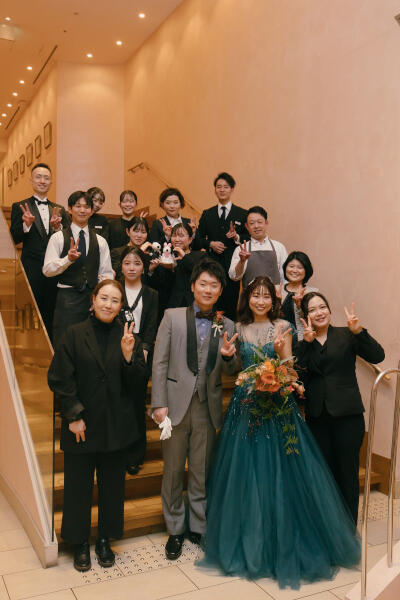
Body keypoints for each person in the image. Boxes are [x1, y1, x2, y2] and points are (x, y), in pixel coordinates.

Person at [201, 277, 361, 589]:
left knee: (284, 473)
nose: (260, 301)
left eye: (266, 297)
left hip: (278, 405)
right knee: (246, 475)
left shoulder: (284, 325)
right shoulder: (237, 327)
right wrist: (227, 356)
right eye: (255, 296)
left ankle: (287, 539)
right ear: (247, 298)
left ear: (273, 301)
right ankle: (250, 540)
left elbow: (291, 370)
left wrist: (281, 358)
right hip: (245, 406)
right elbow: (233, 370)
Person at [48, 280, 147, 571]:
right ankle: (79, 542)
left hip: (116, 425)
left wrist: (128, 357)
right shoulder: (73, 334)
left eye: (115, 300)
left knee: (112, 487)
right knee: (77, 486)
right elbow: (60, 378)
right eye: (104, 298)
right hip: (81, 425)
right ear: (93, 300)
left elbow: (138, 384)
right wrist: (73, 416)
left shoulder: (128, 337)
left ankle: (105, 539)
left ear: (121, 307)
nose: (108, 304)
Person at [151, 258, 238, 561]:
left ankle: (198, 527)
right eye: (203, 283)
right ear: (192, 286)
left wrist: (228, 356)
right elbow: (160, 362)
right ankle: (175, 529)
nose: (208, 289)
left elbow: (232, 369)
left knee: (201, 471)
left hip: (207, 407)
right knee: (173, 471)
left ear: (220, 291)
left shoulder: (226, 324)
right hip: (174, 406)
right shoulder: (172, 316)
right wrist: (158, 403)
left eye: (214, 285)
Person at [296, 292, 385, 523]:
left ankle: (348, 528)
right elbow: (296, 376)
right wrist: (306, 345)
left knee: (347, 474)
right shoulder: (304, 344)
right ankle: (329, 527)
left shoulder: (347, 335)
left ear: (329, 309)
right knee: (324, 475)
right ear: (306, 316)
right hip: (317, 417)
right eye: (312, 310)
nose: (319, 312)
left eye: (322, 307)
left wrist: (359, 331)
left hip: (348, 416)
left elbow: (378, 355)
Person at [42, 191, 113, 348]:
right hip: (67, 299)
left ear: (91, 211)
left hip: (92, 301)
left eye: (86, 207)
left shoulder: (100, 241)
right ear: (69, 209)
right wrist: (68, 259)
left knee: (91, 346)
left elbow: (106, 274)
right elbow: (47, 270)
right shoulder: (58, 238)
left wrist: (100, 299)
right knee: (65, 344)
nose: (82, 210)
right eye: (78, 206)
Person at [10, 163, 68, 336]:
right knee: (28, 311)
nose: (42, 181)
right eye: (38, 177)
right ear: (31, 180)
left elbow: (66, 241)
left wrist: (58, 229)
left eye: (46, 178)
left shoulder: (59, 210)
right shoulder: (19, 206)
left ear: (51, 182)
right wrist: (26, 226)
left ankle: (49, 347)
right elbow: (14, 238)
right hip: (30, 268)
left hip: (53, 269)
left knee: (50, 311)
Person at [119, 246, 159, 475]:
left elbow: (152, 324)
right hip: (116, 350)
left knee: (135, 404)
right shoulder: (114, 288)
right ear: (121, 266)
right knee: (117, 402)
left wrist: (144, 350)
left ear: (144, 267)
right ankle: (117, 451)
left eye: (136, 263)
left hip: (140, 352)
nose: (132, 268)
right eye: (127, 263)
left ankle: (135, 454)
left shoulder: (151, 294)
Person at [196, 172, 248, 320]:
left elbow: (248, 238)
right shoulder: (207, 214)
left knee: (230, 306)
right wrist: (210, 244)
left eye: (226, 187)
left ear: (232, 189)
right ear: (215, 190)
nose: (222, 190)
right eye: (219, 187)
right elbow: (197, 240)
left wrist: (236, 237)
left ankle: (228, 333)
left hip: (232, 269)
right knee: (210, 304)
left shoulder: (242, 213)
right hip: (211, 267)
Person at [229, 205, 287, 290]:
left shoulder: (279, 247)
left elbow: (285, 277)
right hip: (249, 297)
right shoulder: (240, 250)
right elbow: (234, 277)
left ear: (266, 223)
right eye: (252, 223)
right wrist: (242, 261)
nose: (256, 226)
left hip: (274, 296)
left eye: (259, 222)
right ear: (247, 226)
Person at [280, 251, 318, 340]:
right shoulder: (277, 290)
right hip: (279, 340)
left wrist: (301, 307)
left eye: (300, 267)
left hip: (304, 341)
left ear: (306, 271)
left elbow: (317, 321)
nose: (294, 270)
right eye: (291, 266)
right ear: (285, 268)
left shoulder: (313, 293)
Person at [168, 222, 205, 308]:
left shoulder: (200, 255)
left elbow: (201, 274)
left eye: (181, 236)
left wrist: (184, 257)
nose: (177, 239)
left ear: (190, 240)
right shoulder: (167, 257)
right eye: (174, 236)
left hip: (194, 304)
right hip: (172, 306)